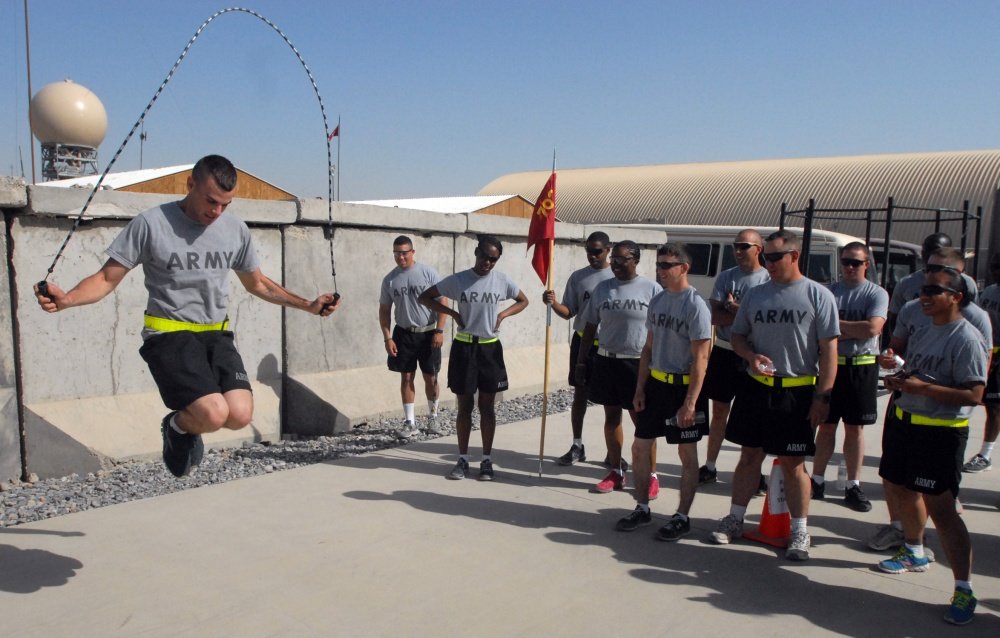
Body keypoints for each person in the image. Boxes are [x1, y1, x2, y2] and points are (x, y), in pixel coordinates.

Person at [34, 155, 340, 478]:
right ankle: (177, 428)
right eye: (211, 201)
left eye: (226, 204)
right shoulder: (152, 224)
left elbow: (259, 283)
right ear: (190, 184)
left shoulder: (234, 230)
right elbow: (106, 279)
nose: (217, 212)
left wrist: (307, 304)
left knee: (238, 414)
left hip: (215, 336)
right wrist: (67, 299)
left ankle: (181, 426)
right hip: (169, 337)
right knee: (212, 413)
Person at [708, 230, 839, 561]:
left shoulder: (818, 296)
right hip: (756, 389)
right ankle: (735, 518)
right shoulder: (756, 295)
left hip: (796, 393)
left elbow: (829, 352)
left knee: (794, 464)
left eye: (774, 257)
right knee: (749, 456)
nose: (768, 263)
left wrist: (823, 396)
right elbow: (737, 337)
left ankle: (799, 530)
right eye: (765, 257)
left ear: (794, 256)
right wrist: (750, 357)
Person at [876, 266, 987, 626]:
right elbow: (919, 373)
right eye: (923, 289)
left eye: (933, 291)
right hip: (906, 423)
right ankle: (914, 551)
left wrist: (923, 389)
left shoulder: (967, 338)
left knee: (943, 511)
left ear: (955, 297)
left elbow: (973, 394)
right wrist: (898, 374)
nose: (924, 296)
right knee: (902, 489)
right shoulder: (925, 329)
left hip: (940, 433)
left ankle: (964, 589)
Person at [615, 244, 712, 541]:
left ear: (684, 268)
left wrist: (690, 403)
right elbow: (647, 349)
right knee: (639, 448)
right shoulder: (657, 301)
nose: (661, 270)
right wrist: (640, 388)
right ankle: (642, 507)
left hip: (683, 388)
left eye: (668, 265)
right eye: (659, 265)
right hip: (656, 384)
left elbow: (701, 359)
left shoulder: (696, 305)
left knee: (686, 452)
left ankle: (682, 516)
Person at [417, 235, 528, 481]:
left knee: (487, 408)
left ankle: (486, 460)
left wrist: (503, 315)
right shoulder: (459, 280)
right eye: (484, 256)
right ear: (476, 252)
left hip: (490, 349)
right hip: (464, 349)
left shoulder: (501, 281)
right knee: (464, 407)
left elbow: (523, 300)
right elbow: (424, 297)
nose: (487, 262)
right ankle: (463, 459)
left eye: (493, 259)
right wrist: (453, 314)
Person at [577, 241, 662, 496]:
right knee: (612, 417)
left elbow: (661, 330)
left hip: (638, 363)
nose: (614, 264)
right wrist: (581, 362)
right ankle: (616, 471)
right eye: (613, 259)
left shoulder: (652, 289)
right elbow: (590, 327)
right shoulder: (603, 289)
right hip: (607, 359)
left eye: (621, 260)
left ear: (635, 260)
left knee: (643, 422)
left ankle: (651, 475)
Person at [810, 242, 888, 512]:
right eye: (845, 262)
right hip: (831, 366)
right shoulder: (829, 292)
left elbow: (872, 328)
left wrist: (835, 327)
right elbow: (817, 327)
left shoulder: (876, 293)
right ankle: (816, 480)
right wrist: (847, 329)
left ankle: (853, 484)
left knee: (855, 429)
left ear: (867, 264)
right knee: (826, 426)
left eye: (856, 262)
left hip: (861, 367)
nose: (850, 267)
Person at [699, 229, 769, 490]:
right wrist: (743, 313)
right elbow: (715, 317)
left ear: (758, 250)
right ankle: (710, 465)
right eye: (735, 246)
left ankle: (754, 471)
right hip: (726, 351)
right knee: (719, 411)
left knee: (752, 415)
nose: (738, 251)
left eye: (744, 246)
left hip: (753, 354)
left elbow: (760, 321)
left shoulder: (766, 280)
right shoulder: (727, 277)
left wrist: (736, 309)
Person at [542, 232, 615, 466]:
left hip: (609, 346)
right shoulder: (579, 277)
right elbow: (569, 312)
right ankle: (577, 444)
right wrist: (553, 304)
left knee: (610, 400)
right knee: (580, 395)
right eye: (589, 251)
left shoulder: (617, 276)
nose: (593, 256)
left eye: (597, 251)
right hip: (583, 342)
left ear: (608, 249)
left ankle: (613, 449)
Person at [379, 235, 447, 438]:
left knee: (431, 376)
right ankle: (410, 422)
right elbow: (384, 310)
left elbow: (443, 303)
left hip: (428, 333)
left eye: (405, 253)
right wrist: (387, 337)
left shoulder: (428, 273)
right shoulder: (390, 279)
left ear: (412, 252)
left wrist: (439, 330)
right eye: (397, 253)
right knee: (407, 376)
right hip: (404, 334)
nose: (401, 257)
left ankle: (433, 416)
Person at [964, 251, 1000, 472]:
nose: (996, 272)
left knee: (995, 407)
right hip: (983, 354)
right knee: (970, 401)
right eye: (995, 267)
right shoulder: (988, 291)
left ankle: (985, 454)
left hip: (997, 357)